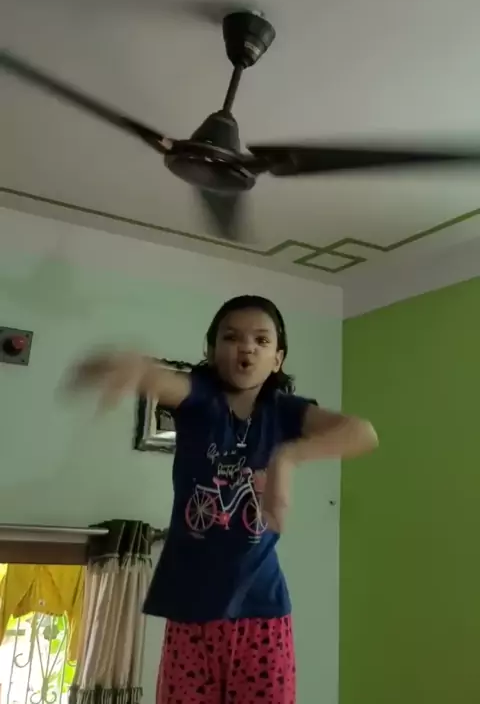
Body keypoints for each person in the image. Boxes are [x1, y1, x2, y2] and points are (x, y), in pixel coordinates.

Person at [69, 295, 378, 704]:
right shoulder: (200, 400)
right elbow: (163, 382)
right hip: (190, 612)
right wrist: (136, 369)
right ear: (213, 351)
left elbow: (362, 433)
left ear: (277, 359)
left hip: (262, 612)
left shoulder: (284, 412)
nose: (246, 347)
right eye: (231, 337)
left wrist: (288, 457)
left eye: (261, 340)